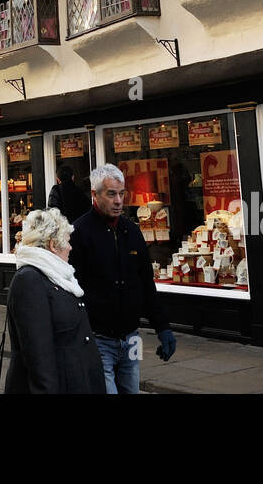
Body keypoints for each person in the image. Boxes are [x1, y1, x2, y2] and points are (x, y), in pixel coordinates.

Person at [69, 164, 176, 394]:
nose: (118, 200)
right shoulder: (79, 233)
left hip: (131, 338)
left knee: (131, 390)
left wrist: (163, 327)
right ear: (94, 195)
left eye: (121, 193)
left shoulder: (132, 231)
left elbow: (146, 283)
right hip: (98, 340)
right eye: (111, 194)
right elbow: (71, 289)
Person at [5, 209, 105, 394]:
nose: (70, 247)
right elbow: (39, 357)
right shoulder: (29, 280)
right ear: (53, 245)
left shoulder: (59, 276)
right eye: (67, 241)